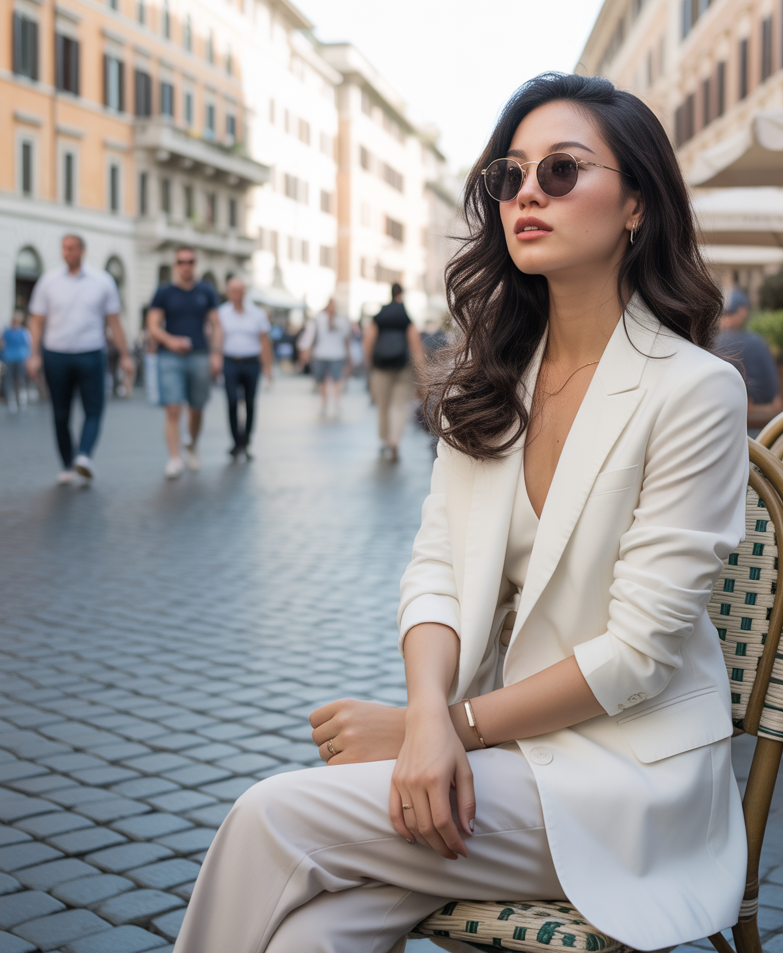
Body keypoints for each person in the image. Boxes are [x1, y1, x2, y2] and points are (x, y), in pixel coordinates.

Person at [175, 73, 748, 953]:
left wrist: (442, 729)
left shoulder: (695, 390)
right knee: (312, 937)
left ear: (636, 203)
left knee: (273, 815)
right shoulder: (491, 382)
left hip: (622, 776)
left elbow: (640, 652)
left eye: (561, 170)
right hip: (491, 755)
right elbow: (435, 569)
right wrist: (427, 714)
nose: (527, 193)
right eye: (509, 175)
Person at [25, 235, 133, 484]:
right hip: (56, 354)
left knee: (94, 409)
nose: (67, 252)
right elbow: (37, 321)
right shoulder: (48, 281)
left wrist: (125, 355)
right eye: (64, 248)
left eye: (72, 248)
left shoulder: (102, 281)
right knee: (60, 414)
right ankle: (67, 464)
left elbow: (114, 322)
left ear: (83, 251)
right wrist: (34, 355)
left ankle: (83, 456)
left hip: (91, 353)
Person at [146, 247, 222, 479]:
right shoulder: (164, 292)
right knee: (173, 408)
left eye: (190, 261)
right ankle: (174, 458)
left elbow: (216, 325)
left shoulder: (206, 291)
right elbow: (153, 325)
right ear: (176, 265)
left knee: (197, 408)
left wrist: (216, 353)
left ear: (194, 264)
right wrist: (170, 341)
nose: (186, 266)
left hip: (199, 355)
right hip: (170, 357)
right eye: (181, 261)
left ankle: (192, 444)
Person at [363, 283, 425, 460]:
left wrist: (369, 364)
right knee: (400, 405)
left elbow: (368, 340)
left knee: (383, 405)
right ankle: (395, 439)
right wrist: (421, 375)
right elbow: (416, 347)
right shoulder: (405, 316)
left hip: (380, 367)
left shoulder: (379, 316)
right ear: (402, 295)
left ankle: (384, 441)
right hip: (402, 367)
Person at [219, 277, 272, 461]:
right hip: (230, 361)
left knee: (250, 403)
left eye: (240, 291)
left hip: (251, 362)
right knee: (232, 401)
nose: (237, 295)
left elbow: (264, 341)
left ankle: (247, 441)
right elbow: (216, 338)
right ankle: (236, 441)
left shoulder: (257, 313)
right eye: (233, 291)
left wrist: (268, 367)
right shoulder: (222, 313)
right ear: (228, 293)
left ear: (245, 292)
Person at [714, 287, 782, 430]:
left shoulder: (712, 343)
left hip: (724, 423)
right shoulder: (757, 342)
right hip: (761, 424)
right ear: (743, 312)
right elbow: (774, 394)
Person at [297, 297, 352, 418]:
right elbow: (310, 336)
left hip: (337, 354)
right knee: (321, 380)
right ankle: (323, 402)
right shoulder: (318, 319)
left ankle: (337, 403)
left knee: (337, 380)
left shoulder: (342, 320)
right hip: (320, 354)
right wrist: (305, 352)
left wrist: (349, 355)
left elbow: (347, 338)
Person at [1, 311, 31, 413]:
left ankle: (19, 401)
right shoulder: (16, 332)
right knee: (15, 380)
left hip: (15, 357)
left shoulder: (21, 331)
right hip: (13, 357)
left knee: (17, 380)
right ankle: (16, 401)